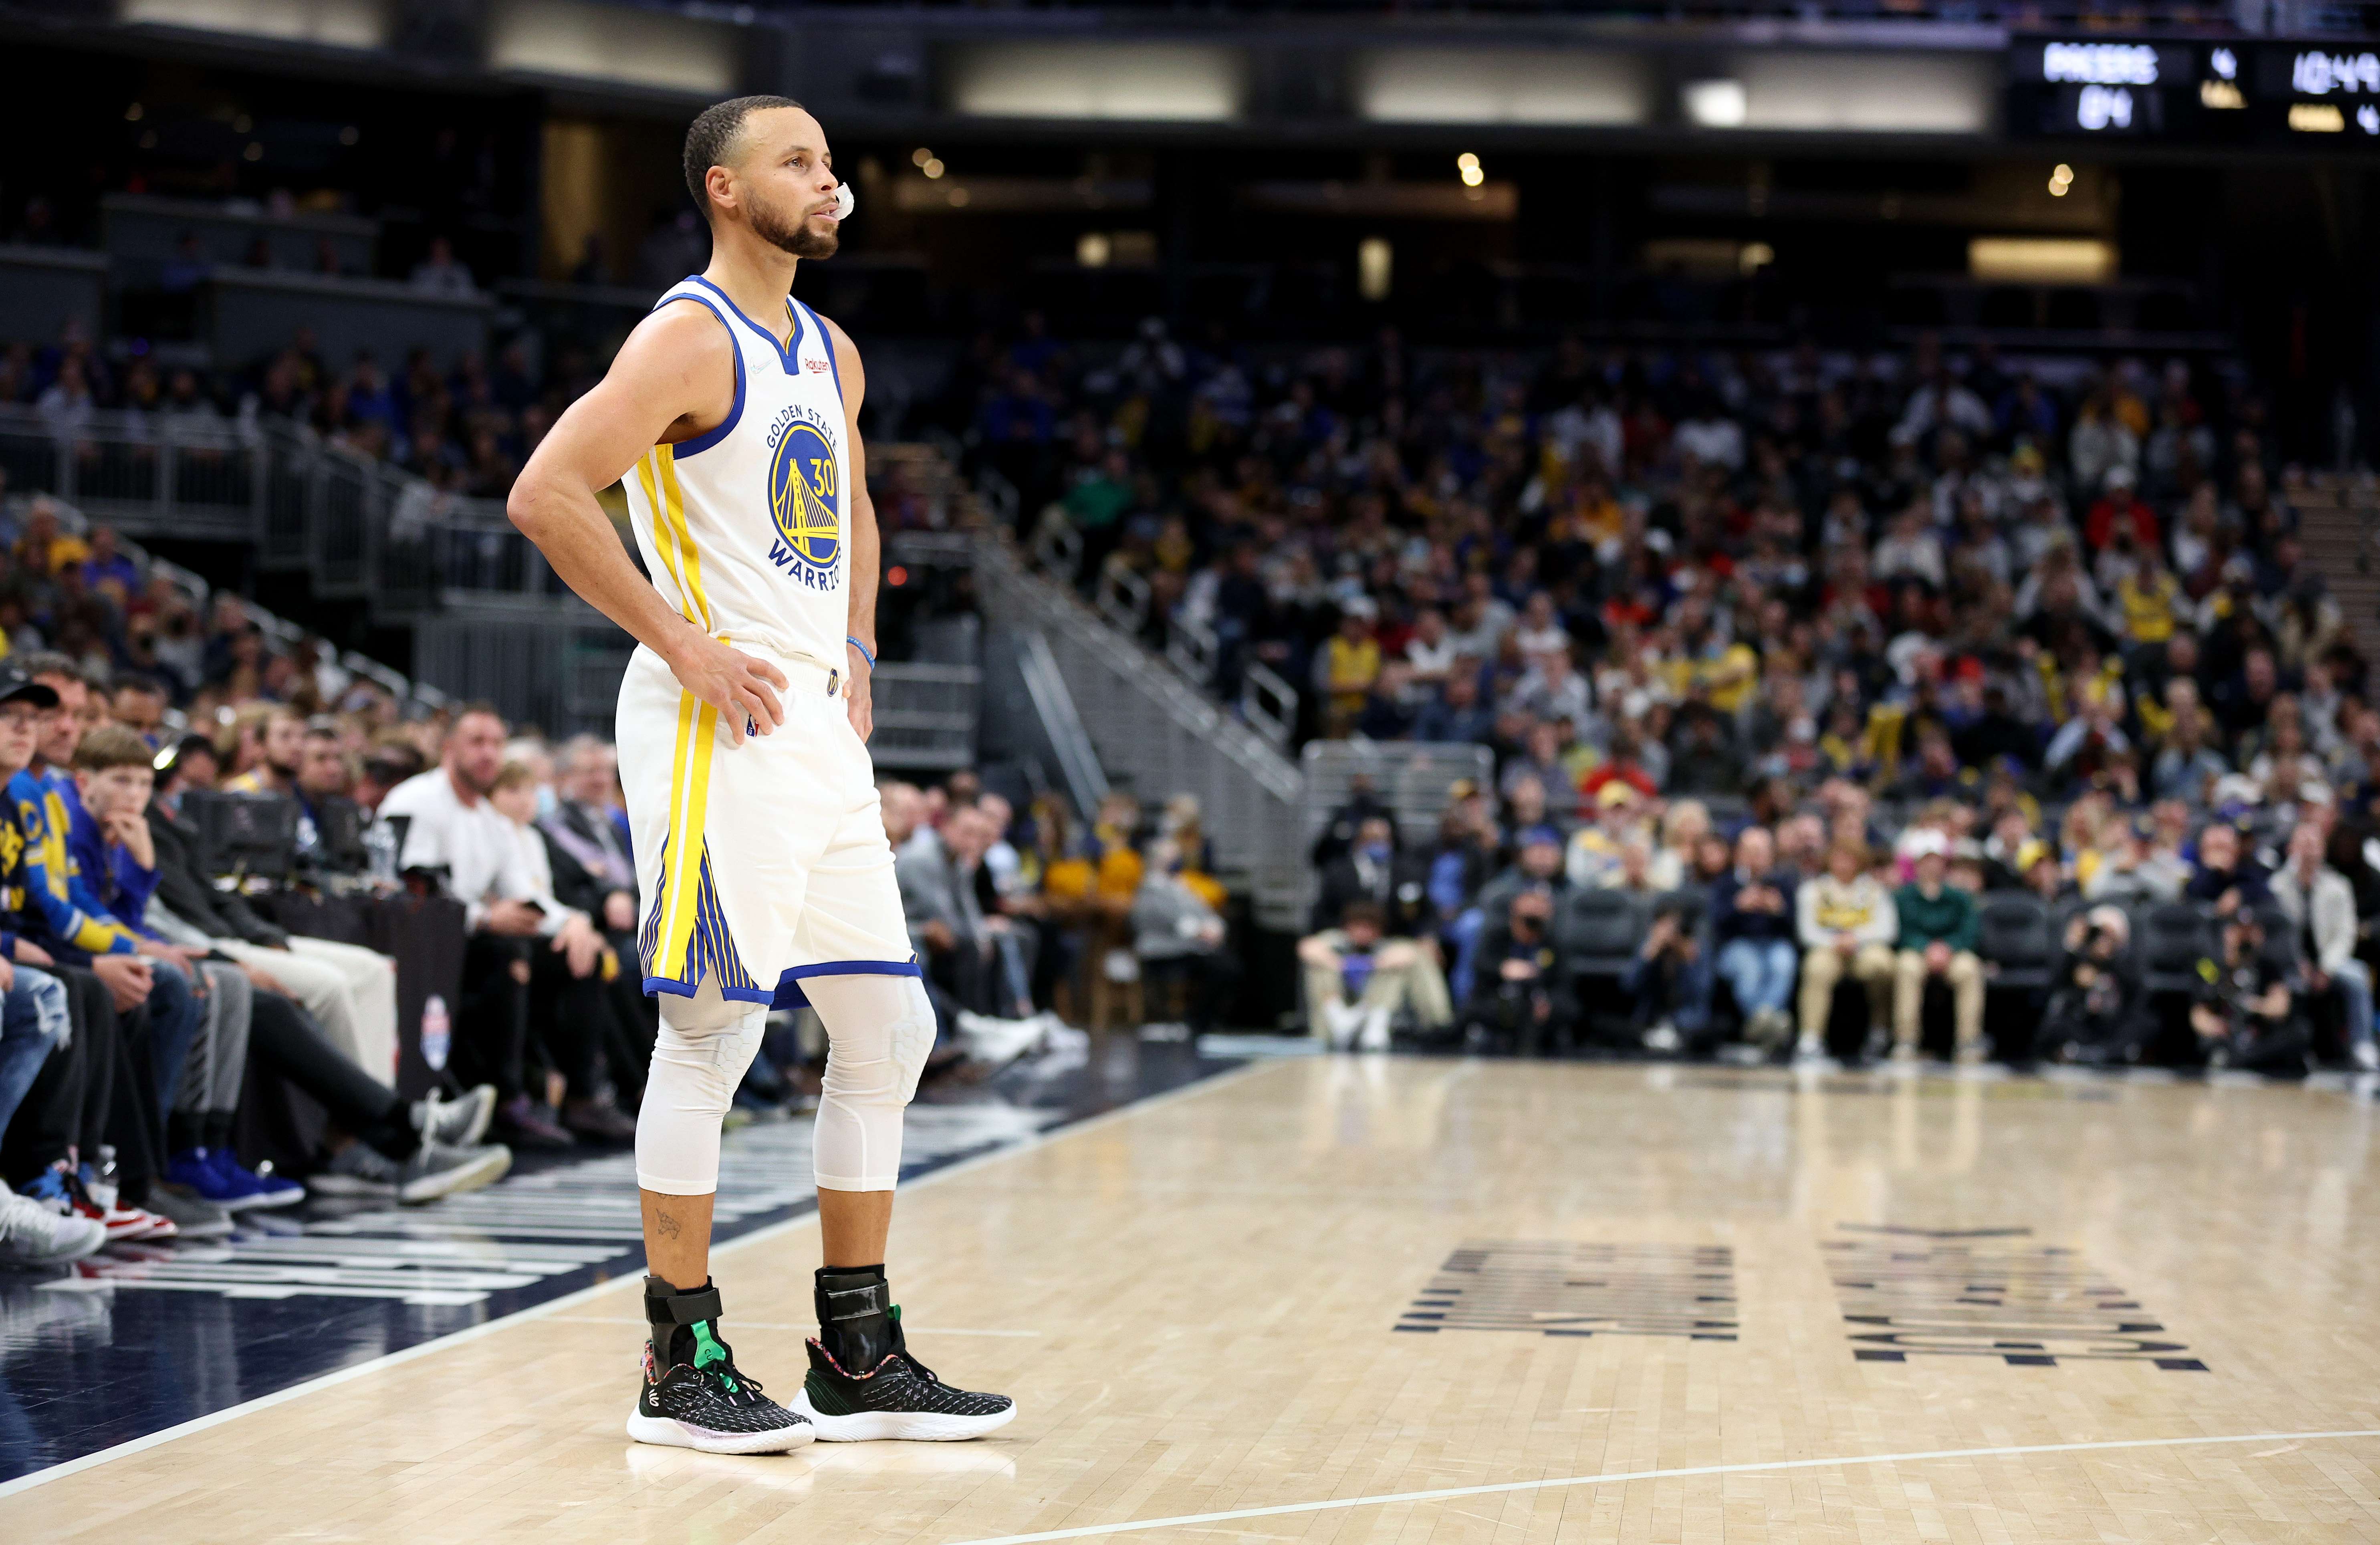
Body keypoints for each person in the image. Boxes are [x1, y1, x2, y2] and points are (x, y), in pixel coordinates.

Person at [507, 94, 1012, 1451]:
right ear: (726, 190)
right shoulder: (686, 336)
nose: (831, 182)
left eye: (834, 163)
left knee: (888, 1031)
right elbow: (547, 493)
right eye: (801, 163)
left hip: (816, 728)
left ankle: (856, 1350)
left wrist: (855, 638)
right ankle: (682, 1362)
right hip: (707, 719)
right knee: (716, 1032)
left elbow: (848, 501)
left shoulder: (831, 351)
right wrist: (685, 641)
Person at [381, 706, 629, 1148]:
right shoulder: (416, 802)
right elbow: (402, 890)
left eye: (496, 743)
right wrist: (482, 916)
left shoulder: (490, 820)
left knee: (582, 955)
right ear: (449, 748)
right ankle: (508, 1102)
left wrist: (572, 923)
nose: (488, 753)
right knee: (507, 953)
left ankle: (581, 1097)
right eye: (477, 742)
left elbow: (525, 894)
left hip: (477, 935)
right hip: (422, 941)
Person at [2269, 822, 2376, 1071]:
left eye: (2313, 844)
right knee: (2278, 978)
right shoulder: (2277, 887)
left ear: (2323, 850)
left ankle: (2363, 1046)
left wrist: (2327, 968)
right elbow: (2278, 935)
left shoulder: (2338, 887)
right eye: (2302, 843)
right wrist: (2298, 964)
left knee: (2358, 977)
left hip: (2330, 962)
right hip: (2292, 964)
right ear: (2292, 849)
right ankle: (2285, 1047)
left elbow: (2346, 934)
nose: (2308, 850)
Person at [1795, 839, 1897, 1061]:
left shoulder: (1874, 889)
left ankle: (1879, 1032)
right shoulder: (1813, 889)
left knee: (1883, 965)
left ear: (1860, 862)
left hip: (1864, 948)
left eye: (1849, 859)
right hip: (1828, 948)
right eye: (1838, 858)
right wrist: (1835, 942)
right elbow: (1807, 932)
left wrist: (1857, 939)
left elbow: (1888, 929)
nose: (1843, 864)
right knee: (1816, 967)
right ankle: (1811, 1037)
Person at [1129, 837, 1239, 1039]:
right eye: (1170, 857)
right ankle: (1196, 1022)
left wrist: (1215, 927)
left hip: (1190, 948)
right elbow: (1167, 918)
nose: (1176, 860)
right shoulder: (1150, 887)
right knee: (1219, 966)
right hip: (1164, 950)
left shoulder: (1180, 885)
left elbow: (1204, 911)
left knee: (1228, 966)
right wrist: (1200, 931)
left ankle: (1204, 1020)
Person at [1892, 831, 1985, 1063]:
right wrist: (1926, 948)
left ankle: (1968, 1042)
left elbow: (1969, 933)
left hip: (1952, 954)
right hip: (1917, 952)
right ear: (1917, 863)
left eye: (1937, 860)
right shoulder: (1903, 897)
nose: (1932, 866)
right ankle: (1906, 1040)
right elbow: (1901, 933)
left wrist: (1948, 948)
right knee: (1906, 967)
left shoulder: (1960, 897)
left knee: (1970, 968)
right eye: (1926, 860)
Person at [1710, 825, 1799, 1049]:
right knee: (1749, 967)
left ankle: (1759, 1023)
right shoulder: (1727, 883)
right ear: (1739, 854)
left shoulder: (1783, 884)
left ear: (1771, 855)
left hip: (1774, 944)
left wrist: (1779, 910)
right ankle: (1772, 1023)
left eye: (1762, 851)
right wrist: (1738, 906)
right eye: (1751, 851)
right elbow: (1716, 926)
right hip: (1736, 946)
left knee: (1784, 962)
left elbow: (1795, 929)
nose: (1757, 857)